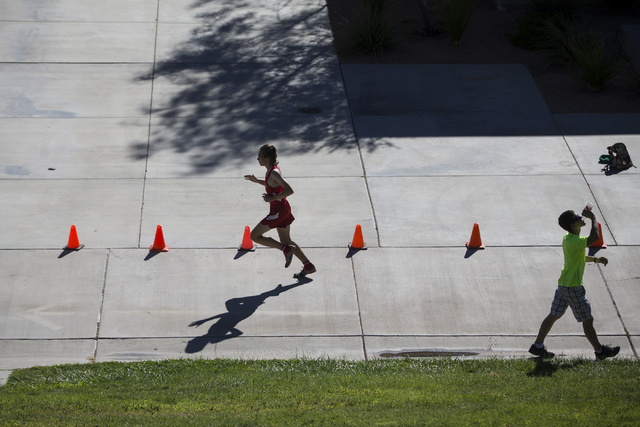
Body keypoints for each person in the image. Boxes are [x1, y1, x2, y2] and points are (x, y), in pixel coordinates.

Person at [529, 207, 620, 360]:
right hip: (573, 287)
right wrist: (593, 218)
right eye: (578, 217)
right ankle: (599, 351)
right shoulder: (574, 240)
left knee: (553, 315)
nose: (580, 217)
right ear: (572, 225)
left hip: (563, 285)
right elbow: (594, 238)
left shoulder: (569, 239)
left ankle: (537, 345)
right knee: (587, 319)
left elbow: (579, 257)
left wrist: (596, 259)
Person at [244, 144, 316, 278]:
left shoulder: (274, 173)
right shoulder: (271, 170)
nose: (257, 159)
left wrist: (272, 198)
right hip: (282, 208)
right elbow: (272, 184)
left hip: (278, 212)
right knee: (286, 239)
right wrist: (257, 181)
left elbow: (289, 190)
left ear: (266, 158)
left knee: (254, 236)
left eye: (259, 156)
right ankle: (308, 266)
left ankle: (286, 250)